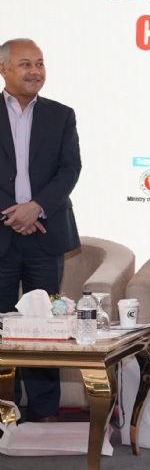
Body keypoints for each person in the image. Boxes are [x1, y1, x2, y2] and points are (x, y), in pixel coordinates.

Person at [0, 39, 81, 422]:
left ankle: (45, 410)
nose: (35, 71)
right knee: (1, 326)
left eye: (40, 64)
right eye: (25, 64)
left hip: (46, 235)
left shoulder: (61, 115)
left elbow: (70, 169)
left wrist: (35, 208)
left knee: (44, 326)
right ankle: (5, 408)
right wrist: (13, 214)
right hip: (1, 232)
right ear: (4, 69)